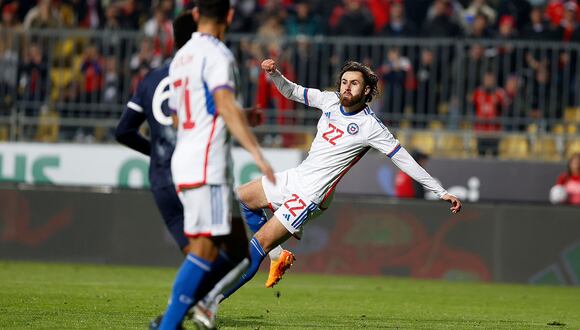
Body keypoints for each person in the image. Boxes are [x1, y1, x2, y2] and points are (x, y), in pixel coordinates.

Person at [195, 59, 462, 327]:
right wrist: (275, 74)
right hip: (297, 177)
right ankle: (278, 255)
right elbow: (293, 91)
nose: (347, 88)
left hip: (312, 194)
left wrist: (439, 190)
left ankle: (210, 303)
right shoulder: (330, 101)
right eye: (345, 82)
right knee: (244, 197)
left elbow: (403, 159)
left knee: (259, 242)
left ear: (367, 91)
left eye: (354, 84)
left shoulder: (371, 127)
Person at [154, 1, 275, 329]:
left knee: (237, 250)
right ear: (230, 16)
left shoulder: (180, 57)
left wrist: (241, 115)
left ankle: (173, 317)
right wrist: (257, 154)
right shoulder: (219, 54)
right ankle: (168, 324)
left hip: (187, 158)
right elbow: (222, 102)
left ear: (195, 15)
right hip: (208, 165)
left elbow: (180, 116)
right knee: (206, 249)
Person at [115, 10, 197, 255]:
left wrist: (155, 152)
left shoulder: (152, 78)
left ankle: (191, 294)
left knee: (196, 256)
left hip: (162, 178)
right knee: (224, 252)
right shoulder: (202, 73)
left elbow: (123, 130)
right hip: (194, 174)